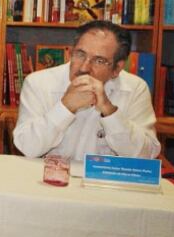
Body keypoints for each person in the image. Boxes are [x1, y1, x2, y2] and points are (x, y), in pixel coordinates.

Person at [13, 20, 160, 169]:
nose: (84, 67)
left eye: (99, 60)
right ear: (71, 52)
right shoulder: (39, 83)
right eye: (80, 54)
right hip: (50, 181)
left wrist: (109, 111)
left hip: (107, 185)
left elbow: (146, 156)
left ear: (117, 68)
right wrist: (65, 107)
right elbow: (27, 147)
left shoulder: (135, 88)